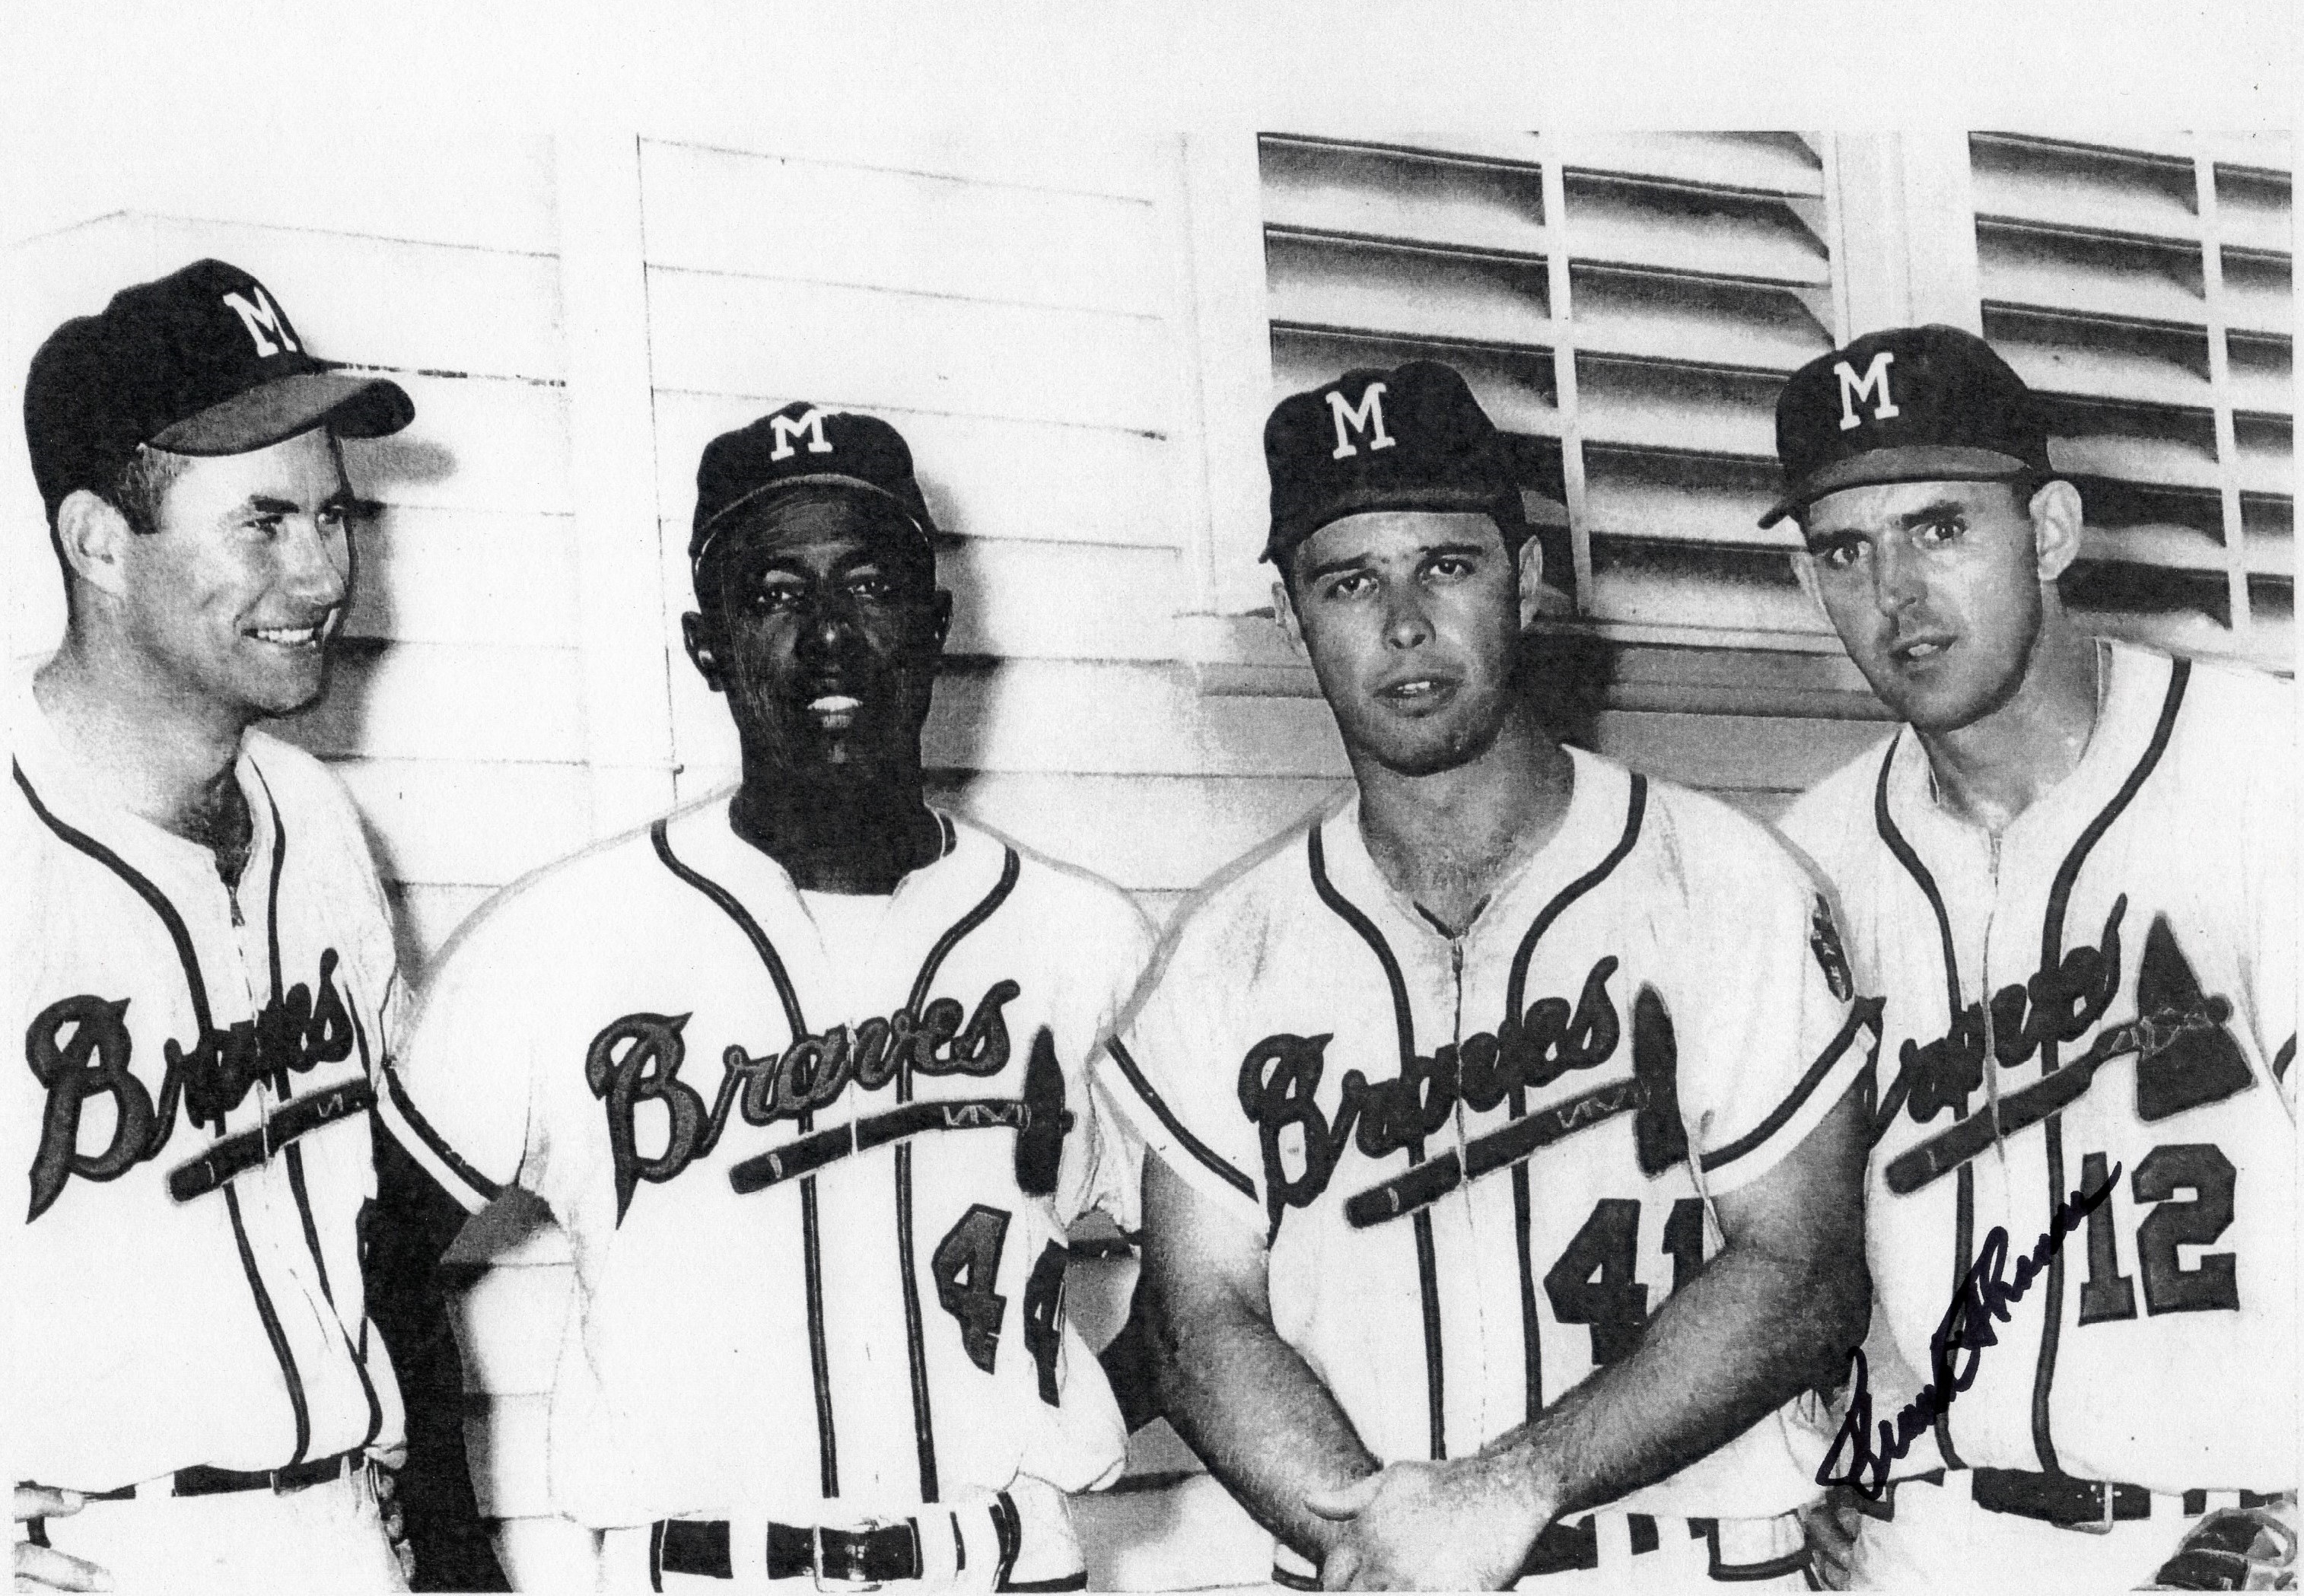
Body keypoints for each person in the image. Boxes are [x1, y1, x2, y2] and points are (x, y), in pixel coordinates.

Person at [1092, 359, 1879, 1589]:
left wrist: (1510, 1490)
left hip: (1685, 1562)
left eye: (1445, 566)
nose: (1403, 624)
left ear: (1528, 579)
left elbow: (1804, 1273)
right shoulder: (1230, 950)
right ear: (1294, 617)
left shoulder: (1722, 881)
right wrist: (1382, 1545)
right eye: (1349, 582)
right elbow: (1197, 1322)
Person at [377, 403, 1160, 1591]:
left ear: (935, 625)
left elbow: (1232, 1268)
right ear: (708, 644)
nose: (830, 638)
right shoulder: (565, 940)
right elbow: (376, 1247)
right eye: (775, 596)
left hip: (1002, 1564)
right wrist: (452, 1566)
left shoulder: (1084, 939)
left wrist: (1073, 1404)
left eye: (870, 586)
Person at [1769, 325, 2297, 1590]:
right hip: (1931, 1546)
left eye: (1940, 528)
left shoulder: (2259, 768)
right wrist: (1809, 1452)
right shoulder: (1813, 859)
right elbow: (1793, 1237)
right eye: (1847, 549)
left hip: (2238, 1532)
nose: (1896, 593)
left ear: (2049, 533)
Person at [8, 259, 495, 1592]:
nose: (324, 572)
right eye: (263, 523)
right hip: (116, 1545)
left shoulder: (316, 817)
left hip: (344, 1526)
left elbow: (382, 1224)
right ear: (100, 541)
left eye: (336, 518)